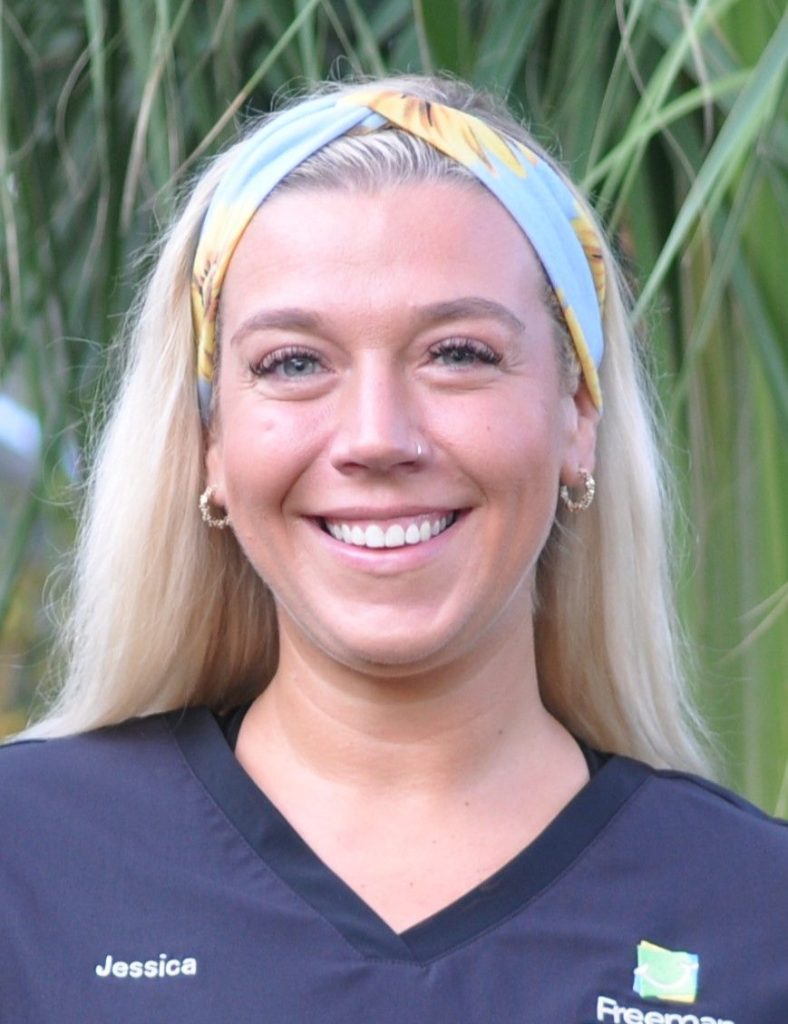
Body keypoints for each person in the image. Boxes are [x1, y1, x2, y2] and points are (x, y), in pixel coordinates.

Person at [1, 75, 784, 1024]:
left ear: (578, 416)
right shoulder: (27, 863)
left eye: (457, 353)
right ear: (210, 444)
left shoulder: (756, 915)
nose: (377, 436)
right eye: (293, 363)